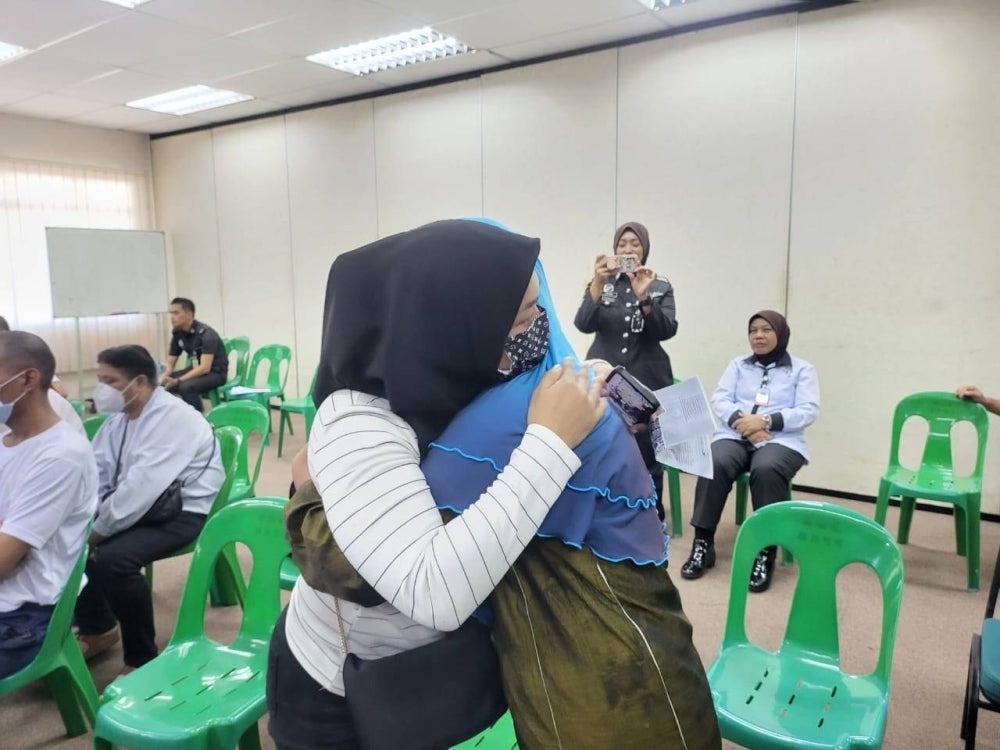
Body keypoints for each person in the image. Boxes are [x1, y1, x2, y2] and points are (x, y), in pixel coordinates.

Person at [267, 220, 608, 750]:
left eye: (539, 310)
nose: (538, 329)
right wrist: (550, 443)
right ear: (457, 324)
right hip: (338, 691)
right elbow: (433, 591)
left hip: (425, 669)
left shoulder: (454, 376)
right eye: (522, 319)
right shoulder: (362, 422)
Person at [75, 345, 224, 675]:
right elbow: (97, 473)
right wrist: (84, 521)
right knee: (70, 538)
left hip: (181, 510)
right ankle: (98, 629)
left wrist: (95, 533)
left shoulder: (175, 418)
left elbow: (139, 490)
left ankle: (141, 657)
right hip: (139, 506)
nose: (101, 389)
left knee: (114, 559)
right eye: (100, 380)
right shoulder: (120, 419)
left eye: (109, 381)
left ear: (139, 381)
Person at [681, 310, 820, 593]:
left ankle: (765, 551)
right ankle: (703, 543)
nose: (758, 335)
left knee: (767, 469)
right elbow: (720, 399)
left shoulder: (802, 370)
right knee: (715, 461)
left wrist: (766, 421)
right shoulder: (737, 365)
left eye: (766, 329)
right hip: (735, 433)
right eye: (753, 330)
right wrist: (745, 425)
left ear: (781, 334)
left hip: (781, 440)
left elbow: (808, 410)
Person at [0, 331, 96, 677]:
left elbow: (3, 560)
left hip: (21, 617)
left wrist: (8, 536)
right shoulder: (5, 440)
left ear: (28, 379)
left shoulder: (60, 456)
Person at [574, 221, 678, 517]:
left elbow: (666, 330)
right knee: (601, 441)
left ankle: (651, 511)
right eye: (622, 244)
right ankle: (605, 508)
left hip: (645, 378)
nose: (628, 249)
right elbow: (583, 324)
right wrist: (596, 283)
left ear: (645, 249)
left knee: (645, 449)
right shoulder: (603, 284)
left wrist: (644, 298)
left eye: (635, 243)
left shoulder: (659, 285)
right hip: (606, 378)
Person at [161, 298, 228, 413]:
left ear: (189, 314)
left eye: (176, 313)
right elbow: (170, 363)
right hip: (196, 369)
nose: (172, 317)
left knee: (186, 387)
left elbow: (205, 368)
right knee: (164, 383)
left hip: (215, 373)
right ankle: (175, 415)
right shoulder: (178, 333)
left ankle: (197, 418)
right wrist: (163, 377)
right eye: (171, 313)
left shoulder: (206, 334)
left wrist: (178, 380)